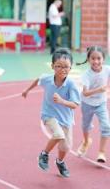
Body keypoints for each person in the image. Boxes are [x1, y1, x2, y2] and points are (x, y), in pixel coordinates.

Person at [22, 48, 80, 177]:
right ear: (52, 66)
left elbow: (75, 104)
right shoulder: (47, 79)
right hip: (49, 114)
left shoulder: (71, 84)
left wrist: (61, 101)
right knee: (58, 134)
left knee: (66, 147)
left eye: (66, 67)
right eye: (59, 66)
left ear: (70, 68)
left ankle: (60, 162)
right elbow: (38, 79)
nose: (63, 69)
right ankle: (44, 155)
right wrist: (27, 89)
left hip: (65, 118)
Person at [76, 46, 110, 162]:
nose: (96, 61)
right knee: (85, 126)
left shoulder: (106, 69)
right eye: (93, 58)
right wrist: (98, 90)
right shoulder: (86, 74)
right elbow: (85, 93)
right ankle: (86, 142)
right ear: (88, 59)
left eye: (99, 58)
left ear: (104, 59)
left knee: (106, 127)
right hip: (87, 104)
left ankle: (101, 153)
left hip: (101, 103)